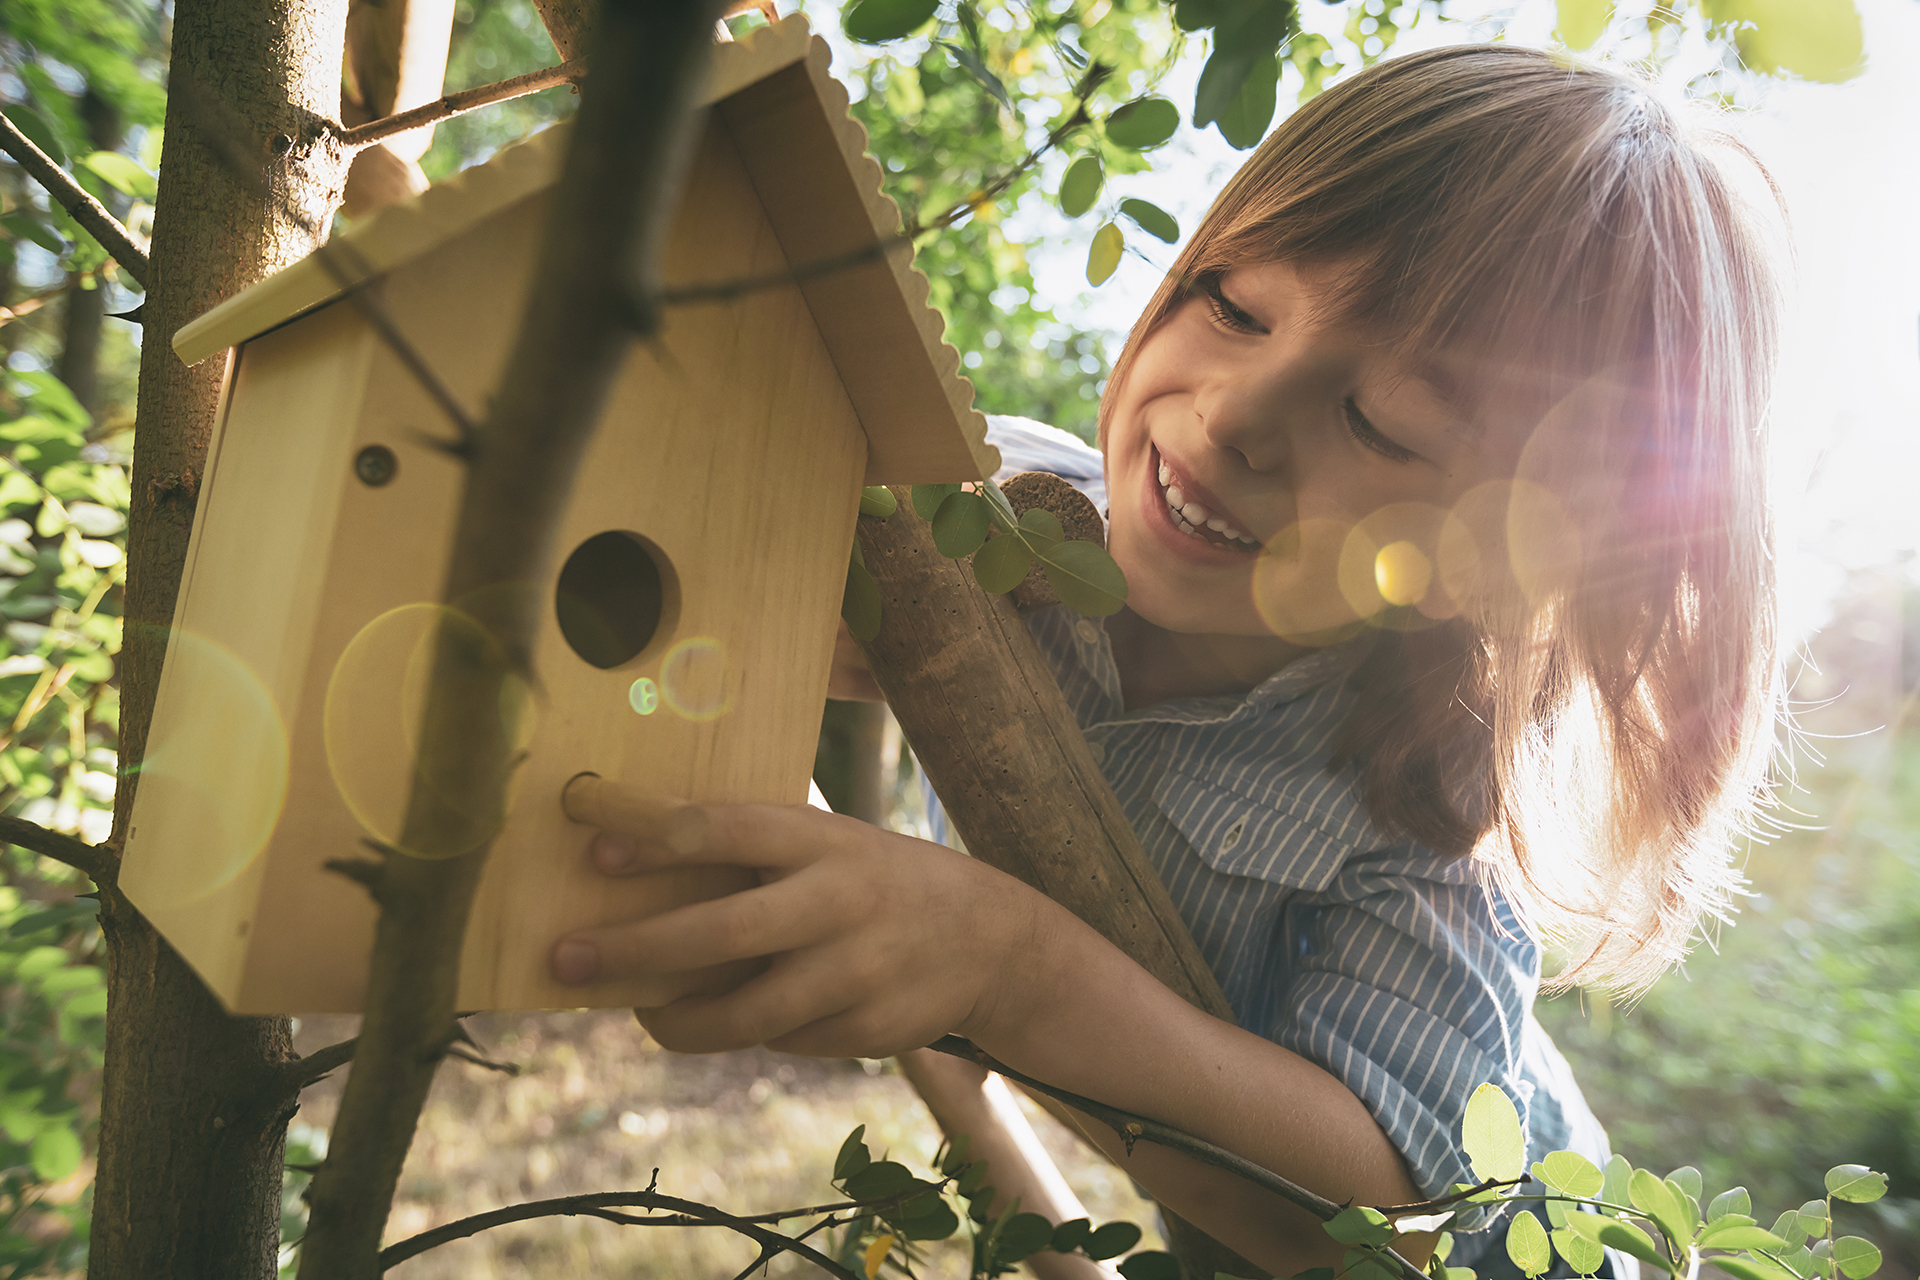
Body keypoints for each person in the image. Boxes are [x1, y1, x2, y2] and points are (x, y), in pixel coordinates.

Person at [547, 43, 1786, 1278]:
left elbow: (1394, 1222)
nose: (1233, 414)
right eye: (1233, 305)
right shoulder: (1003, 516)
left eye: (1381, 422)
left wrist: (1002, 968)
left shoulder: (1429, 812)